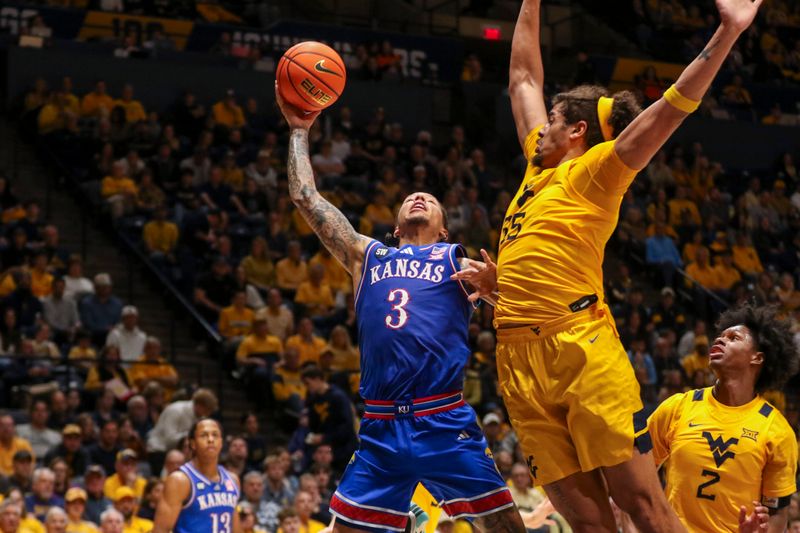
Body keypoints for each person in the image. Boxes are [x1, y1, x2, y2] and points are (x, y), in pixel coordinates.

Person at [452, 0, 770, 530]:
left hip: (580, 349)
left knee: (642, 506)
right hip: (517, 357)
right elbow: (524, 77)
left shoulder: (600, 171)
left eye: (552, 120)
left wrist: (727, 33)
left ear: (576, 131)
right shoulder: (538, 170)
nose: (540, 127)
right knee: (590, 525)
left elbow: (672, 107)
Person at [276, 84, 523, 532]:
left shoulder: (458, 262)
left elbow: (530, 302)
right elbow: (306, 200)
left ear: (445, 231)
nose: (419, 196)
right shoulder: (365, 255)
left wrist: (498, 285)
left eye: (430, 199)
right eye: (411, 197)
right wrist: (298, 129)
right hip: (381, 426)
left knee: (506, 528)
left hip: (442, 418)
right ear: (394, 226)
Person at [648, 305, 798, 532]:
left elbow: (777, 516)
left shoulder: (776, 430)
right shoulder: (678, 406)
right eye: (720, 336)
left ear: (757, 358)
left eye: (733, 337)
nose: (719, 340)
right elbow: (639, 476)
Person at [152, 418, 241, 533]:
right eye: (204, 435)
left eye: (215, 435)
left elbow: (236, 528)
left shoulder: (233, 480)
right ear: (193, 444)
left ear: (221, 442)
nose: (210, 439)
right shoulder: (180, 480)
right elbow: (160, 530)